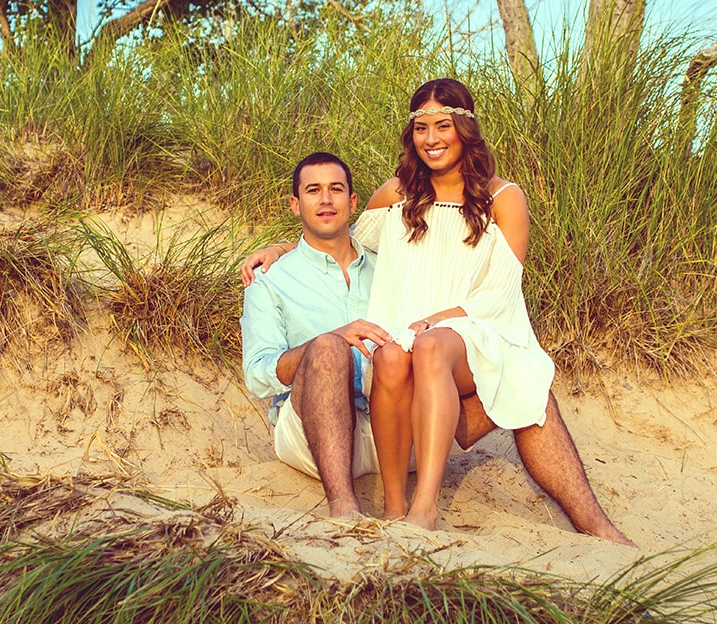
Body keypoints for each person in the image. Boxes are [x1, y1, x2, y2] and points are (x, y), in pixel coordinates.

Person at [244, 79, 632, 545]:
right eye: (422, 127)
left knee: (525, 387)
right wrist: (288, 249)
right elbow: (342, 240)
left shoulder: (502, 198)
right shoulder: (394, 198)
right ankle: (374, 508)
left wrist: (440, 318)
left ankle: (590, 527)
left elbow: (500, 291)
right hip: (363, 399)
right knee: (371, 352)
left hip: (449, 354)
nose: (432, 138)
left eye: (443, 125)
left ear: (465, 128)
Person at [239, 152, 392, 519]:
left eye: (336, 189)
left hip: (392, 427)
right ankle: (344, 508)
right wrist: (329, 341)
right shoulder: (271, 280)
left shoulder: (387, 265)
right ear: (296, 204)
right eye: (313, 190)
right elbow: (258, 375)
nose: (325, 200)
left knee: (517, 377)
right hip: (311, 434)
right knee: (327, 347)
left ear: (353, 202)